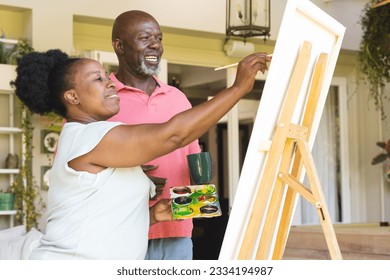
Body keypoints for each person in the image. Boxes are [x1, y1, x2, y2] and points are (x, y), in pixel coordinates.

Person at [11, 49, 270, 260]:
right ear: (72, 96)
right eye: (98, 79)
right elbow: (174, 135)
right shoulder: (88, 137)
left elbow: (102, 221)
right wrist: (237, 89)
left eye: (106, 75)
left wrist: (153, 215)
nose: (110, 82)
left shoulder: (93, 137)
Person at [108, 10, 197, 259]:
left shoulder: (178, 98)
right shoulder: (100, 99)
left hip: (179, 230)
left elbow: (193, 161)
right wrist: (128, 172)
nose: (156, 45)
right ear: (119, 46)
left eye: (158, 38)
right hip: (122, 233)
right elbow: (77, 167)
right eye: (145, 38)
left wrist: (200, 196)